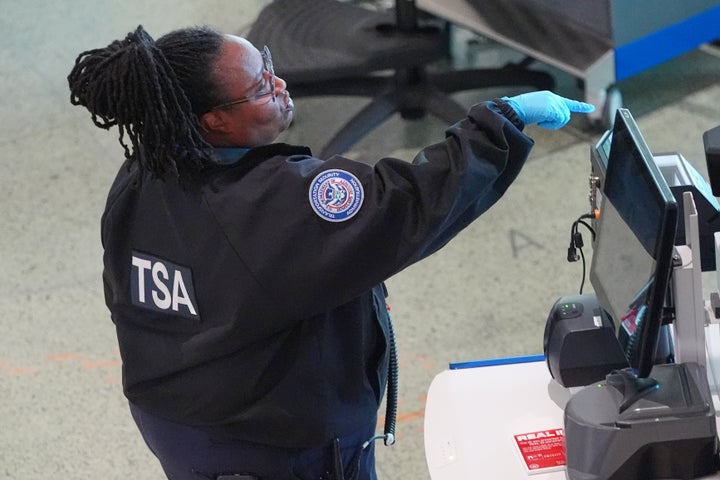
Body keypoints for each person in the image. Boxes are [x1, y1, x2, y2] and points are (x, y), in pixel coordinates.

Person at [68, 24, 594, 480]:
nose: (280, 85)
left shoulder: (144, 168)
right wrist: (501, 120)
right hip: (266, 444)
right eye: (258, 87)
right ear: (214, 121)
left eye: (269, 64)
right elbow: (405, 204)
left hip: (176, 414)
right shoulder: (268, 205)